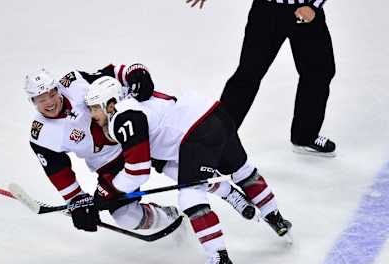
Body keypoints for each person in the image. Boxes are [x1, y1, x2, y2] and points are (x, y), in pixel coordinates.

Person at [84, 74, 292, 264]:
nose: (92, 114)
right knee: (242, 171)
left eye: (94, 108)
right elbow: (164, 159)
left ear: (109, 103)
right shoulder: (135, 103)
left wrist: (107, 192)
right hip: (215, 114)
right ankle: (274, 216)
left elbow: (138, 172)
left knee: (190, 196)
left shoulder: (123, 117)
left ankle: (220, 259)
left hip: (197, 133)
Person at [23, 65, 253, 235]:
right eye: (41, 99)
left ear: (57, 89)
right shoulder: (41, 134)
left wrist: (134, 72)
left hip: (135, 137)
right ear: (32, 101)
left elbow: (111, 74)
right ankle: (171, 219)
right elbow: (58, 172)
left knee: (183, 173)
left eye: (52, 94)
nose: (49, 102)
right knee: (126, 217)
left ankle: (229, 193)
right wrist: (78, 201)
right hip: (108, 164)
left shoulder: (74, 82)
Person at [188, 0, 337, 157]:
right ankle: (216, 141)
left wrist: (314, 5)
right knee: (248, 74)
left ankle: (305, 136)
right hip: (267, 11)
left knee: (319, 72)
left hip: (307, 11)